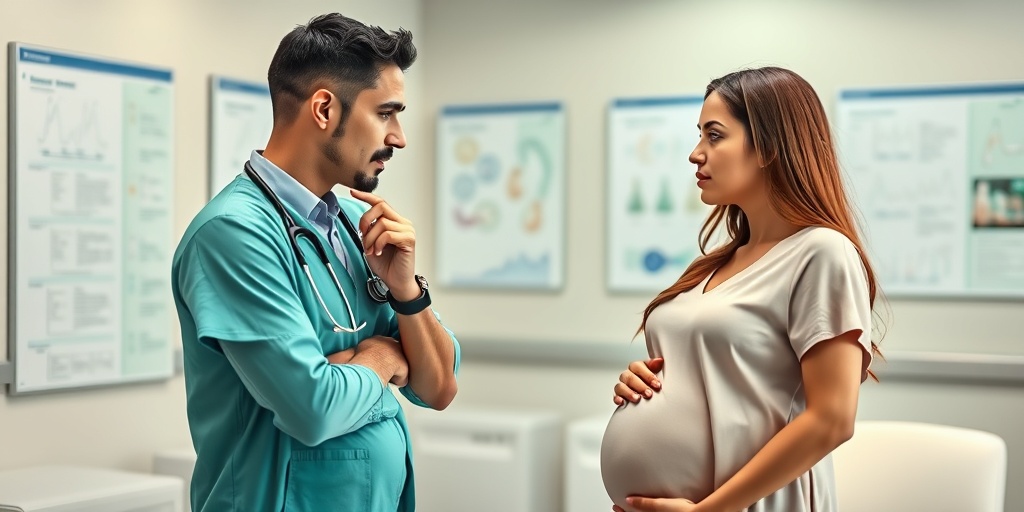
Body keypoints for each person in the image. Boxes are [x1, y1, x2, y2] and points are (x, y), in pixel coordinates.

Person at [171, 13, 460, 512]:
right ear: (324, 108)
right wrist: (385, 358)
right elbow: (314, 409)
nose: (400, 137)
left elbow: (438, 387)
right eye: (387, 113)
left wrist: (407, 291)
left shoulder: (356, 222)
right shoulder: (235, 233)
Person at [600, 67, 883, 512]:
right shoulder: (714, 266)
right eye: (700, 136)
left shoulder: (822, 253)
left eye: (715, 136)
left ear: (769, 146)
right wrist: (646, 383)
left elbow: (832, 420)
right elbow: (723, 369)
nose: (696, 154)